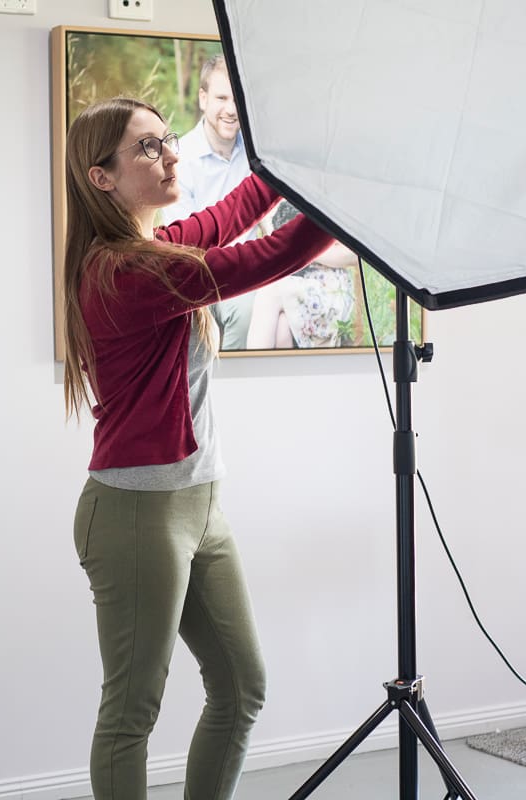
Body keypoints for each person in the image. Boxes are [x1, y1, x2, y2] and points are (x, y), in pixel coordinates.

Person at [62, 97, 334, 800]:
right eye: (148, 149)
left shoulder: (160, 248)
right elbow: (265, 257)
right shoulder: (122, 272)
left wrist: (284, 155)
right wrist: (343, 203)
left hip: (201, 504)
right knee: (133, 712)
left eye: (166, 141)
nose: (171, 154)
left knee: (243, 687)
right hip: (136, 515)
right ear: (103, 177)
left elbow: (234, 212)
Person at [162, 55, 258, 351]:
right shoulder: (180, 159)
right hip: (198, 275)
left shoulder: (257, 154)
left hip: (248, 275)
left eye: (237, 99)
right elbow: (183, 247)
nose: (231, 110)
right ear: (203, 99)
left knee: (247, 309)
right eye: (221, 98)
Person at [246, 201, 360, 349]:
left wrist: (302, 250)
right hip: (296, 285)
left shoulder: (329, 201)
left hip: (328, 288)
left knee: (269, 292)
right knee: (282, 328)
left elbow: (353, 256)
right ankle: (282, 371)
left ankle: (254, 368)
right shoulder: (278, 196)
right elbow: (279, 249)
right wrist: (269, 226)